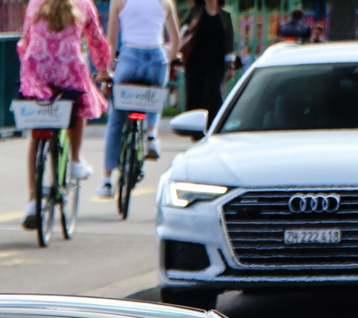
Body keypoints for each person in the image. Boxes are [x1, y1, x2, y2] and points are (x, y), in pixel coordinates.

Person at [17, 0, 111, 230]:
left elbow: (25, 41)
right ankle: (76, 159)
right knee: (80, 103)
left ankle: (32, 202)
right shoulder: (84, 4)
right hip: (68, 68)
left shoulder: (35, 3)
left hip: (37, 70)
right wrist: (103, 69)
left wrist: (28, 67)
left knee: (36, 136)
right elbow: (97, 40)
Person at [100, 0, 168, 201]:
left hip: (130, 57)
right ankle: (151, 134)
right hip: (157, 57)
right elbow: (176, 38)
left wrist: (108, 71)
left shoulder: (118, 2)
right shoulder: (165, 2)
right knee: (155, 93)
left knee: (116, 119)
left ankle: (107, 180)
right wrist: (172, 57)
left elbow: (111, 42)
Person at [177, 0, 233, 125]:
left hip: (216, 63)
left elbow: (229, 42)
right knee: (194, 92)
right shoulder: (195, 12)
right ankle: (194, 126)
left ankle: (212, 125)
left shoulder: (225, 16)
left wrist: (230, 65)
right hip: (195, 62)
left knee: (212, 92)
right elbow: (180, 30)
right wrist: (189, 27)